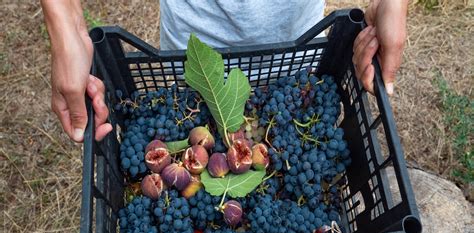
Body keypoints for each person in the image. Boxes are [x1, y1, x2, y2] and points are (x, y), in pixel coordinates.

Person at [40, 0, 408, 143]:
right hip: (194, 34)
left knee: (290, 116)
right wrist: (64, 22)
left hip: (297, 37)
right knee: (194, 107)